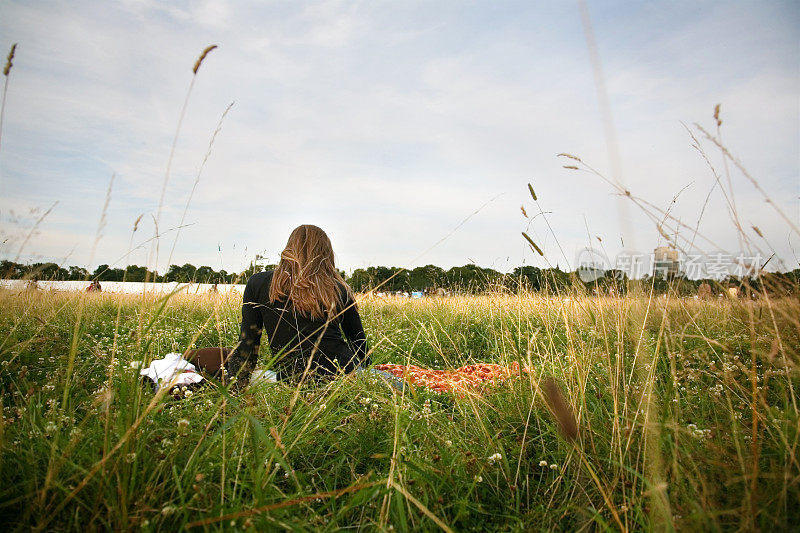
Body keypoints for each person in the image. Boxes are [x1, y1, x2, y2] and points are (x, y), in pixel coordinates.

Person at [224, 225, 369, 386]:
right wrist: (369, 379)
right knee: (399, 382)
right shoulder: (338, 288)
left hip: (289, 378)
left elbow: (247, 346)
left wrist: (235, 388)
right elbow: (358, 344)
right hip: (343, 374)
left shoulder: (258, 283)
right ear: (326, 253)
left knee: (257, 375)